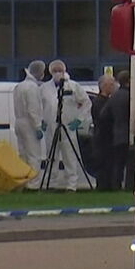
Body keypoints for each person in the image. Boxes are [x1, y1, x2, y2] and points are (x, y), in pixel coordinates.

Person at [41, 59, 92, 192]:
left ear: (64, 70)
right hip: (51, 126)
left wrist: (79, 120)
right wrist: (42, 121)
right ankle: (51, 183)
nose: (58, 73)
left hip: (68, 126)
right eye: (55, 70)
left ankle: (71, 185)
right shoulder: (44, 88)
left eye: (60, 70)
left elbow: (86, 103)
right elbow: (40, 106)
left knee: (70, 156)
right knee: (51, 156)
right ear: (50, 72)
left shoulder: (73, 86)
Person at [13, 60, 47, 190]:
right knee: (34, 156)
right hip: (29, 124)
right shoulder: (32, 88)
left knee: (23, 155)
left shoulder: (19, 86)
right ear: (39, 72)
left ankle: (22, 183)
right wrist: (38, 126)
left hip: (19, 121)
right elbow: (33, 110)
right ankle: (33, 185)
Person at [99, 69, 130, 191]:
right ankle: (129, 186)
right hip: (128, 133)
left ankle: (116, 186)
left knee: (118, 163)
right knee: (130, 163)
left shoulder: (114, 97)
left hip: (117, 134)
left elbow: (103, 115)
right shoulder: (131, 96)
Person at [90, 73, 116, 191]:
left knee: (109, 162)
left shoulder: (106, 101)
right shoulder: (99, 102)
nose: (113, 86)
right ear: (104, 86)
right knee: (103, 163)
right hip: (102, 137)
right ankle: (103, 186)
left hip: (106, 137)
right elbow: (102, 119)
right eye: (111, 84)